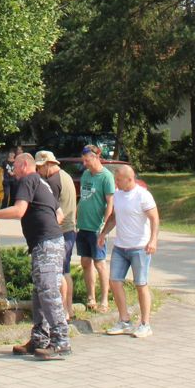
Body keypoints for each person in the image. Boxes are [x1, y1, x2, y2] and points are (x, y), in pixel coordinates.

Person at [0, 152, 70, 360]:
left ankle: (61, 341)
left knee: (48, 291)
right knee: (40, 292)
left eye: (15, 167)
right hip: (49, 242)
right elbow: (59, 215)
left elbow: (19, 210)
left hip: (46, 244)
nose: (13, 171)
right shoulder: (42, 182)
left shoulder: (28, 180)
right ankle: (39, 338)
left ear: (24, 165)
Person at [99, 165, 159, 339]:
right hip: (120, 247)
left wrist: (153, 240)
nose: (116, 183)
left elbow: (154, 218)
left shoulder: (142, 195)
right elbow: (113, 217)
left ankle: (145, 324)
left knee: (141, 284)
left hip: (140, 247)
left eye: (118, 180)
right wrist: (103, 233)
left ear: (129, 179)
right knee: (114, 281)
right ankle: (124, 320)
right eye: (115, 180)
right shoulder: (118, 195)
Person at [35, 150, 77, 319]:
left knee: (59, 273)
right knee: (66, 271)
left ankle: (63, 310)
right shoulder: (65, 176)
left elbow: (50, 209)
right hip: (70, 229)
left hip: (60, 231)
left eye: (40, 167)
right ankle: (69, 309)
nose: (38, 171)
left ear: (47, 164)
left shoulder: (52, 182)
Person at [76, 145, 115, 312]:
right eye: (83, 161)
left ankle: (104, 300)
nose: (84, 164)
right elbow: (83, 198)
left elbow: (110, 203)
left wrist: (104, 227)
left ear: (96, 157)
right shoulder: (86, 175)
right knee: (85, 262)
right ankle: (90, 297)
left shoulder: (106, 177)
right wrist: (75, 217)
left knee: (99, 263)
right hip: (82, 226)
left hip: (96, 227)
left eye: (87, 160)